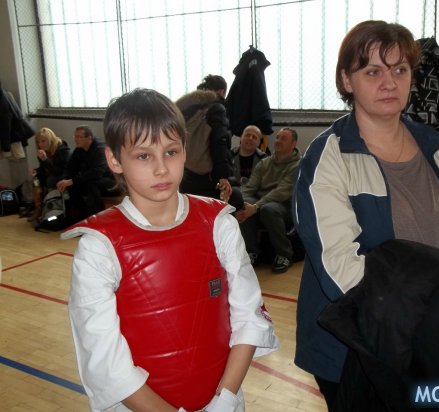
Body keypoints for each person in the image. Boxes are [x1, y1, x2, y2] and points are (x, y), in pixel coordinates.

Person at [292, 20, 439, 410]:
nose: (389, 82)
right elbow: (338, 265)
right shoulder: (328, 158)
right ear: (347, 80)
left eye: (400, 70)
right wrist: (421, 317)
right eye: (373, 71)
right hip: (358, 349)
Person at [62, 88, 278, 412]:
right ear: (115, 160)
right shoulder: (98, 247)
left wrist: (224, 400)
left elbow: (249, 316)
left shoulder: (218, 223)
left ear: (185, 151)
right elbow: (106, 363)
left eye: (171, 151)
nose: (161, 168)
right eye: (143, 156)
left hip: (223, 400)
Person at [235, 127, 301, 273]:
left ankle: (285, 254)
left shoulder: (298, 165)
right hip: (263, 203)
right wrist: (239, 202)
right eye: (277, 137)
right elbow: (250, 186)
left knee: (268, 209)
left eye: (283, 138)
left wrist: (256, 207)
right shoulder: (264, 163)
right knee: (244, 203)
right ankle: (252, 252)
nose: (278, 141)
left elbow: (281, 192)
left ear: (293, 144)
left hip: (286, 207)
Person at [176, 75, 233, 204]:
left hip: (179, 171)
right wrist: (222, 176)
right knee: (235, 199)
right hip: (202, 175)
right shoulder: (215, 108)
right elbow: (219, 142)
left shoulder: (181, 109)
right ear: (222, 92)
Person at [56, 125, 116, 221]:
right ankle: (76, 217)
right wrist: (64, 179)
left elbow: (97, 172)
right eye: (75, 136)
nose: (76, 139)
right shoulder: (79, 149)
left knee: (91, 184)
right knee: (72, 185)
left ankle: (96, 219)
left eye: (79, 137)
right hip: (93, 179)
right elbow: (70, 168)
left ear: (89, 138)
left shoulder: (100, 149)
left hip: (111, 181)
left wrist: (72, 181)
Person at [25, 127, 70, 221]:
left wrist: (45, 160)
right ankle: (38, 209)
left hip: (64, 175)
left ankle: (51, 207)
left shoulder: (62, 149)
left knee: (50, 180)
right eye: (38, 142)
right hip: (52, 173)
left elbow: (58, 171)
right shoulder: (43, 151)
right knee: (36, 180)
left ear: (50, 140)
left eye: (43, 141)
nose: (40, 144)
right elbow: (43, 169)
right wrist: (36, 171)